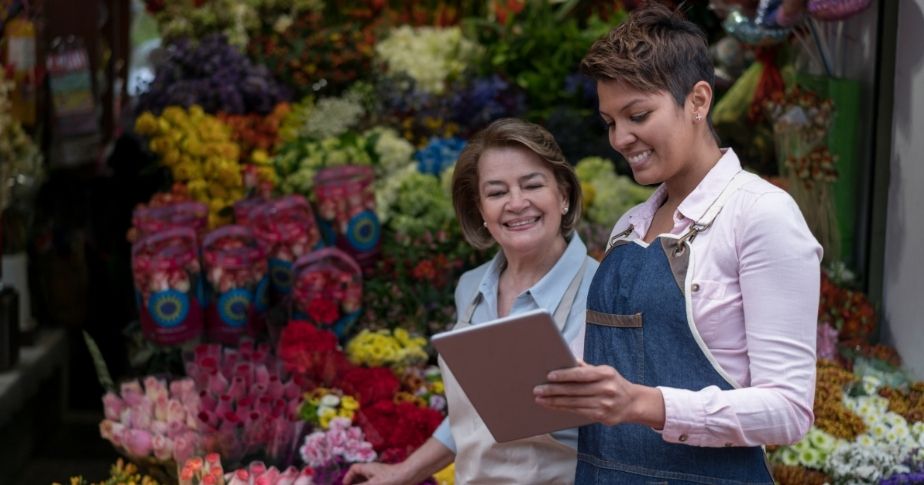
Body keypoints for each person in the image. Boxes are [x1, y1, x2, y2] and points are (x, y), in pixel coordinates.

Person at [533, 3, 822, 484]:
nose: (620, 138)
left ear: (698, 100)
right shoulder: (631, 224)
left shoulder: (760, 215)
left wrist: (643, 403)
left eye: (638, 115)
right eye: (610, 122)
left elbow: (789, 410)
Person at [344, 117, 599, 484]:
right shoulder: (471, 288)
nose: (516, 203)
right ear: (480, 210)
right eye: (496, 193)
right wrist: (403, 473)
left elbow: (626, 426)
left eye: (532, 185)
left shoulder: (603, 292)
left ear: (563, 195)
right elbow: (476, 413)